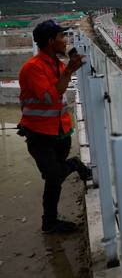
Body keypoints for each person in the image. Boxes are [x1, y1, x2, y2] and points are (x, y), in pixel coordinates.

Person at [18, 20, 92, 234]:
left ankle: (49, 221)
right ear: (51, 41)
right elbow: (51, 96)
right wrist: (69, 70)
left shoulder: (56, 65)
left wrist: (70, 67)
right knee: (52, 176)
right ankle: (49, 221)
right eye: (62, 37)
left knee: (55, 178)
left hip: (60, 131)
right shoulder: (33, 68)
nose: (65, 40)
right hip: (39, 134)